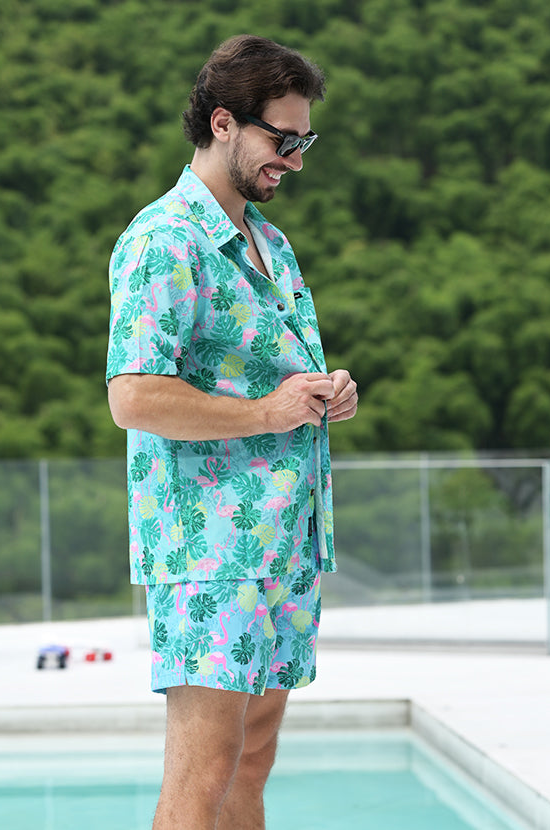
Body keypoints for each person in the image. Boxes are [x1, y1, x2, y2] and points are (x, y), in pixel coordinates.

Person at [105, 34, 358, 830]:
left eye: (304, 141)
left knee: (251, 761)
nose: (296, 161)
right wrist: (267, 413)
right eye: (284, 140)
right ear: (223, 124)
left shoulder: (270, 244)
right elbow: (132, 395)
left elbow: (267, 380)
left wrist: (323, 394)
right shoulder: (163, 241)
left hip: (285, 541)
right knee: (205, 771)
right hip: (210, 550)